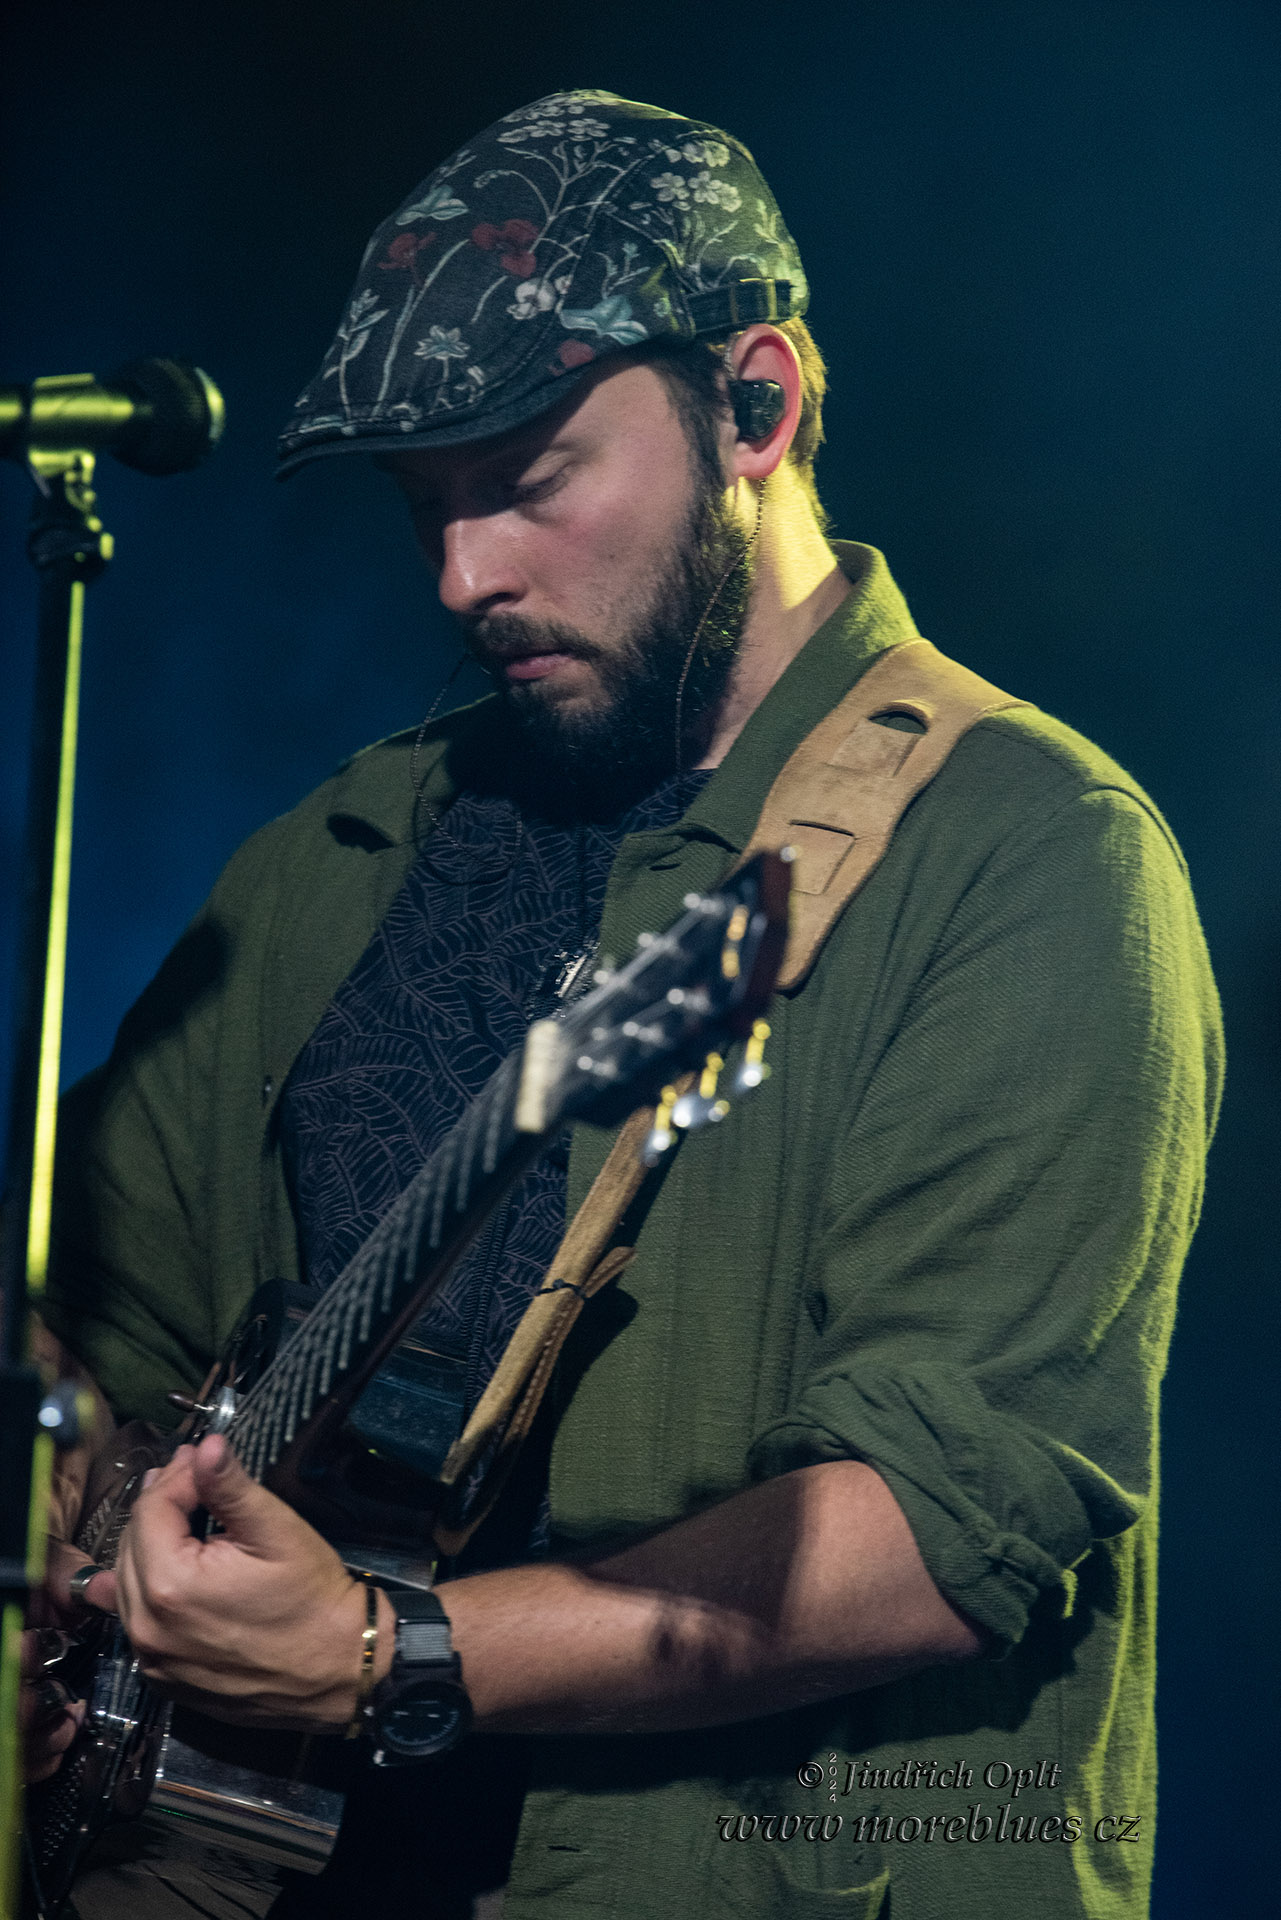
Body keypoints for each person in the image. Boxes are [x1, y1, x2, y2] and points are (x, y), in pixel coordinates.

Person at [29, 91, 1222, 1920]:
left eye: (525, 484)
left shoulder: (1034, 860)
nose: (462, 577)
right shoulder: (332, 858)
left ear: (757, 405)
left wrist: (382, 1650)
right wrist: (91, 1531)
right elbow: (94, 1325)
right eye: (427, 510)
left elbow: (936, 1525)